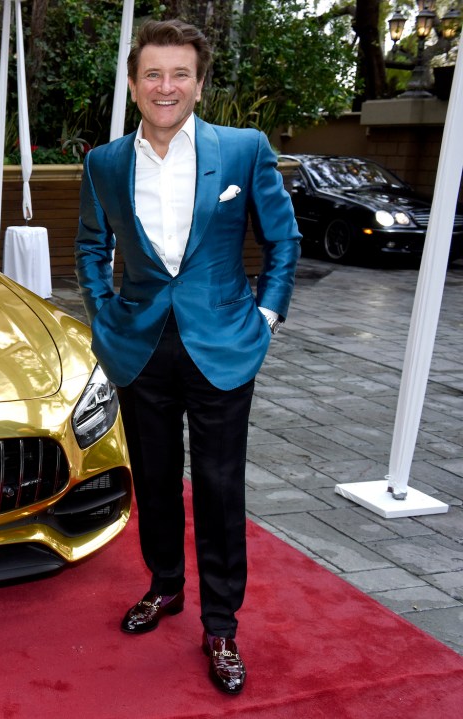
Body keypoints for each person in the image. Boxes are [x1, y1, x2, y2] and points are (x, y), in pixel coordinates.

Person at [74, 19, 300, 695]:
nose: (165, 86)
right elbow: (89, 247)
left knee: (221, 487)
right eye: (152, 74)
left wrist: (264, 317)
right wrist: (104, 315)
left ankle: (222, 624)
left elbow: (283, 241)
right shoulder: (104, 163)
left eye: (179, 74)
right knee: (155, 476)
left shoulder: (243, 151)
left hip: (223, 343)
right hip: (141, 343)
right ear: (134, 84)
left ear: (199, 83)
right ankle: (165, 585)